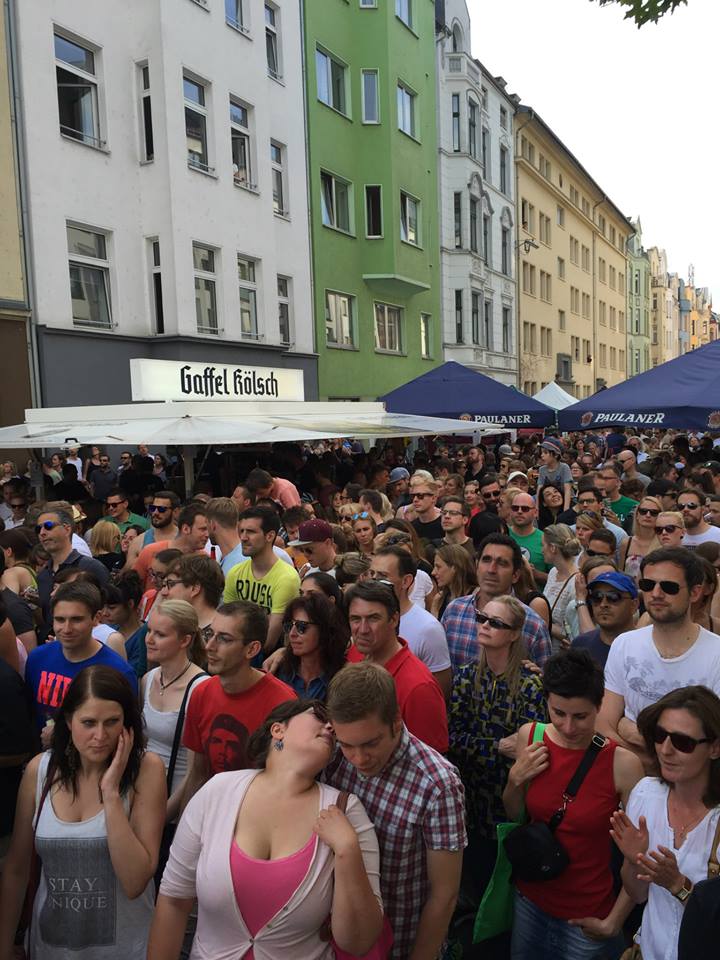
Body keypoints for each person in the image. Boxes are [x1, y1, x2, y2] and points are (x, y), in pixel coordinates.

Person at [151, 699, 383, 960]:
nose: (331, 726)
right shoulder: (217, 792)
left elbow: (359, 942)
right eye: (319, 716)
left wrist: (347, 851)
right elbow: (173, 900)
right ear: (278, 730)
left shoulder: (346, 810)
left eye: (334, 726)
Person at [0, 666, 166, 960]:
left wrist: (111, 793)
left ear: (127, 724)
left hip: (124, 951)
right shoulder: (41, 771)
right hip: (49, 949)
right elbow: (16, 868)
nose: (100, 735)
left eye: (112, 722)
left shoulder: (146, 770)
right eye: (88, 722)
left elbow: (134, 881)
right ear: (68, 720)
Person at [503, 649, 643, 959]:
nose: (568, 727)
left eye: (580, 716)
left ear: (599, 707)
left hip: (586, 914)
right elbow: (516, 815)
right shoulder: (532, 737)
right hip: (530, 899)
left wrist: (613, 922)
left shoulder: (623, 765)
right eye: (558, 713)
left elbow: (637, 855)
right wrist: (515, 779)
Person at [325, 661, 466, 959]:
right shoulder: (331, 755)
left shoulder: (438, 784)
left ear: (396, 722)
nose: (359, 758)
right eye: (347, 745)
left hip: (400, 942)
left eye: (371, 743)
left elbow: (444, 894)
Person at [448, 595, 547, 931]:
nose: (485, 626)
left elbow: (527, 750)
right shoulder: (464, 677)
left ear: (515, 633)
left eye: (495, 623)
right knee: (475, 873)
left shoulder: (531, 684)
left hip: (509, 802)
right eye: (481, 618)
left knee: (504, 883)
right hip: (470, 801)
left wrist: (496, 747)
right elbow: (454, 740)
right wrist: (496, 746)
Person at [611, 686, 720, 960]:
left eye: (683, 742)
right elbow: (637, 894)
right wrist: (634, 860)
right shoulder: (646, 793)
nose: (666, 750)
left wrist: (678, 884)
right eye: (660, 736)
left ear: (715, 748)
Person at [598, 547, 720, 763]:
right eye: (647, 585)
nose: (655, 594)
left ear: (695, 592)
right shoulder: (625, 644)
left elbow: (710, 745)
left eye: (669, 587)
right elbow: (604, 726)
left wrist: (632, 731)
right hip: (629, 782)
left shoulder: (716, 654)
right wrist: (648, 762)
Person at [179, 601, 296, 809]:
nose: (209, 646)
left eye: (224, 639)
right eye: (209, 634)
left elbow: (286, 784)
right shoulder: (201, 693)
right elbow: (197, 774)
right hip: (212, 810)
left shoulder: (283, 703)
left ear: (252, 649)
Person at [344, 579, 449, 753]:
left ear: (394, 619)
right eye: (355, 619)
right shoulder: (356, 653)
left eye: (373, 618)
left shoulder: (419, 687)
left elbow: (433, 760)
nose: (362, 629)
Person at [25, 580, 138, 738]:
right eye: (60, 620)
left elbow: (125, 731)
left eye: (76, 619)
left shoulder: (118, 671)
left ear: (96, 618)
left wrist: (63, 737)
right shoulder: (37, 658)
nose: (66, 629)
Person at [442, 534, 552, 673]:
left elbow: (545, 681)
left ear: (515, 575)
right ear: (476, 566)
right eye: (486, 560)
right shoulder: (454, 611)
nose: (491, 570)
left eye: (502, 563)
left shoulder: (532, 624)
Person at [141, 599, 209, 820]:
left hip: (177, 809)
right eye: (149, 631)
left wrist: (161, 817)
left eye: (160, 634)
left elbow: (195, 772)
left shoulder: (200, 688)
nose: (149, 639)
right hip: (144, 796)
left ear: (185, 640)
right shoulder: (148, 679)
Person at [369, 545, 453, 699]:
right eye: (372, 574)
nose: (374, 581)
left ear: (406, 581)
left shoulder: (428, 628)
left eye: (382, 576)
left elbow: (440, 692)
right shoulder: (363, 620)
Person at [224, 506, 301, 654]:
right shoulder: (235, 573)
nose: (243, 538)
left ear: (270, 536)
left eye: (251, 532)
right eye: (241, 531)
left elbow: (269, 642)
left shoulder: (286, 578)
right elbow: (227, 622)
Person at [35, 505, 110, 640]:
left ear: (67, 528)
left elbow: (109, 611)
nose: (42, 532)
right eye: (38, 528)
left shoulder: (90, 567)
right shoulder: (43, 575)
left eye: (48, 526)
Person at [275, 592, 349, 700]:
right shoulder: (278, 670)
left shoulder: (344, 677)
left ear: (325, 630)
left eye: (301, 627)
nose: (292, 633)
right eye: (289, 626)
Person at [572, 570, 639, 669]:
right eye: (597, 597)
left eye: (613, 597)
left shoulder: (647, 649)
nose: (603, 604)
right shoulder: (580, 645)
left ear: (634, 605)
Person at [132, 503, 210, 588]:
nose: (207, 534)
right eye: (203, 529)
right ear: (186, 529)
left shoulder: (204, 559)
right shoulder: (150, 551)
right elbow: (133, 586)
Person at [159, 553, 225, 645]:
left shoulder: (223, 636)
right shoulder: (167, 626)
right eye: (163, 585)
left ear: (195, 588)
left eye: (171, 584)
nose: (163, 592)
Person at [541, 524, 581, 653]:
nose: (542, 550)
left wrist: (542, 620)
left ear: (552, 548)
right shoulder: (553, 572)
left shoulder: (576, 583)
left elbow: (575, 632)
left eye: (543, 545)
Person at [101, 571, 149, 677]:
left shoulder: (143, 637)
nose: (105, 613)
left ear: (130, 604)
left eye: (112, 608)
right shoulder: (110, 628)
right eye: (103, 607)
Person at [124, 491, 181, 568]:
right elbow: (128, 573)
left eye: (161, 509)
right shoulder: (139, 541)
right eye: (152, 508)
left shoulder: (185, 539)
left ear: (175, 512)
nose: (155, 512)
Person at [507, 492, 549, 585]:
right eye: (515, 508)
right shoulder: (503, 535)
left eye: (525, 509)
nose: (519, 511)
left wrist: (536, 574)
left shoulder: (546, 539)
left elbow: (559, 579)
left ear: (535, 512)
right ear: (510, 511)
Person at [618, 495, 663, 581]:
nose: (648, 515)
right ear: (637, 515)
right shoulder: (626, 542)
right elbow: (621, 572)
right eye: (643, 511)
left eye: (654, 512)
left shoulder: (664, 542)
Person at [429, 543, 477, 621]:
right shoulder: (439, 599)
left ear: (454, 568)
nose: (433, 572)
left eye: (438, 567)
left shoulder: (476, 597)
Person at [598, 461, 639, 530]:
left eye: (606, 478)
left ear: (618, 482)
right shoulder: (594, 504)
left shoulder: (633, 506)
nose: (603, 482)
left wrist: (618, 526)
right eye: (601, 479)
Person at [538, 438, 573, 509]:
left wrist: (566, 509)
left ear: (556, 455)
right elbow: (539, 489)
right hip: (550, 502)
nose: (542, 455)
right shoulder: (542, 469)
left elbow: (567, 490)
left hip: (566, 501)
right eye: (541, 453)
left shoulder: (564, 467)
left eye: (545, 452)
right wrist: (537, 508)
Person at [410, 476, 444, 545]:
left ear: (433, 498)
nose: (415, 500)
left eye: (420, 496)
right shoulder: (411, 527)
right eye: (413, 496)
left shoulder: (444, 523)